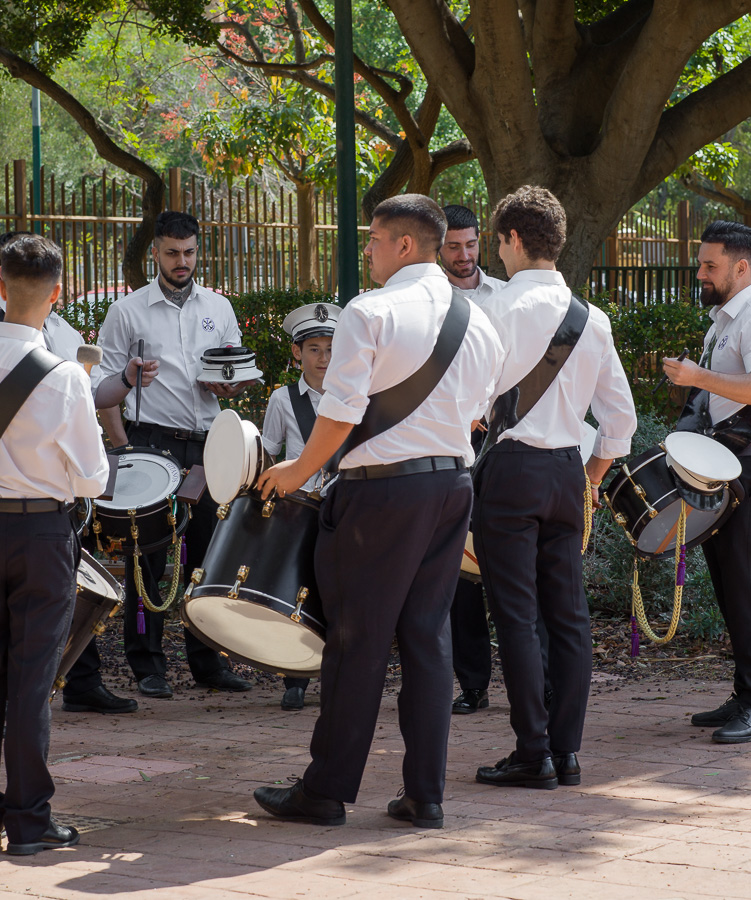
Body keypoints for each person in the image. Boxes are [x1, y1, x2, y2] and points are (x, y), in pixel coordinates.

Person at [252, 194, 504, 830]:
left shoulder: (369, 312)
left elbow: (339, 412)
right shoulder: (481, 321)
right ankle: (426, 795)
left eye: (373, 240)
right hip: (452, 488)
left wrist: (296, 472)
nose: (367, 251)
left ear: (405, 245)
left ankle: (326, 791)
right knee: (427, 638)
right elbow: (479, 412)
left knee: (357, 641)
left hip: (382, 493)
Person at [0, 232, 110, 855]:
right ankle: (30, 820)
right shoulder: (64, 377)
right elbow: (93, 478)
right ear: (57, 295)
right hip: (41, 532)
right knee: (32, 680)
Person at [473, 185, 636, 791]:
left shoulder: (493, 311)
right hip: (569, 472)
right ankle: (566, 753)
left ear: (513, 239)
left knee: (516, 616)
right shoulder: (593, 319)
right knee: (570, 617)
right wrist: (593, 477)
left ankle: (531, 751)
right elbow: (620, 419)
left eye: (499, 243)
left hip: (511, 472)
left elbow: (469, 401)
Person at [0, 231, 136, 715]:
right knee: (27, 663)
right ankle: (25, 776)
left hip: (9, 511)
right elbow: (91, 477)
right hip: (37, 511)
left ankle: (80, 682)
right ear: (55, 287)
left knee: (6, 655)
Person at [93, 211, 255, 698]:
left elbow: (236, 371)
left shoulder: (218, 307)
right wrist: (124, 448)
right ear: (155, 254)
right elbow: (101, 389)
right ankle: (148, 665)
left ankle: (209, 662)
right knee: (149, 557)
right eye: (171, 253)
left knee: (209, 556)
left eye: (188, 252)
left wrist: (235, 383)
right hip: (151, 443)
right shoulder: (128, 312)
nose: (181, 261)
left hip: (210, 444)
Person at [662, 221, 751, 744]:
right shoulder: (724, 321)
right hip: (729, 466)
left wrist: (699, 378)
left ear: (742, 267)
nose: (701, 273)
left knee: (746, 584)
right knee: (728, 584)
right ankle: (746, 694)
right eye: (701, 263)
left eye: (709, 265)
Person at [440, 203, 508, 714]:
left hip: (502, 444)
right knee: (461, 574)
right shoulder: (427, 300)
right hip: (447, 444)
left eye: (471, 245)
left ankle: (537, 680)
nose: (464, 256)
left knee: (508, 567)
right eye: (453, 247)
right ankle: (473, 684)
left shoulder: (507, 298)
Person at [259, 301, 340, 711]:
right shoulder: (283, 399)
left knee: (340, 591)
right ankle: (296, 677)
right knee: (299, 590)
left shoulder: (355, 396)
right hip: (301, 506)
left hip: (345, 507)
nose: (323, 358)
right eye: (314, 349)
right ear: (297, 352)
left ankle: (338, 674)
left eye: (331, 348)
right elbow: (269, 455)